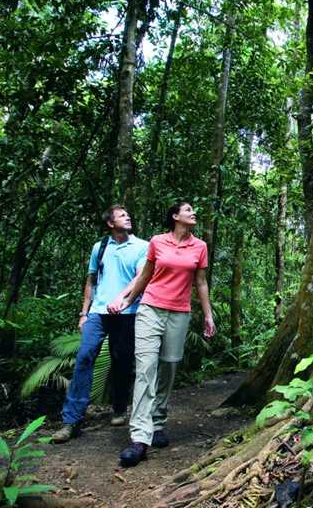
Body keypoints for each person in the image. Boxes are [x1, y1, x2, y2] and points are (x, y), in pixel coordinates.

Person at [108, 200, 216, 467]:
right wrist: (127, 299)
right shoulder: (157, 242)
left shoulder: (200, 246)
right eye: (188, 210)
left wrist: (208, 314)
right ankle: (140, 438)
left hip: (179, 313)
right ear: (175, 216)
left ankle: (157, 421)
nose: (194, 213)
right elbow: (145, 276)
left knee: (169, 366)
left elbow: (200, 282)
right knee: (146, 369)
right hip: (150, 309)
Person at [51, 206, 148, 443]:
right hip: (97, 312)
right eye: (122, 215)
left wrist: (124, 301)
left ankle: (118, 407)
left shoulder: (142, 246)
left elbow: (140, 278)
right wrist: (84, 313)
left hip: (127, 312)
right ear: (110, 223)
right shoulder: (100, 246)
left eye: (128, 213)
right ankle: (71, 421)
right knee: (84, 358)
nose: (128, 216)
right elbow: (91, 280)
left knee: (122, 361)